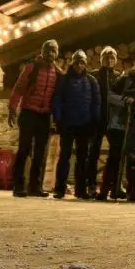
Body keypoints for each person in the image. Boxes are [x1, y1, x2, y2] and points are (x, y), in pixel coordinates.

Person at [96, 55, 135, 201]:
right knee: (115, 157)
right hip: (119, 123)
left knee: (133, 160)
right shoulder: (125, 79)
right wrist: (124, 101)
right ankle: (106, 189)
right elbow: (110, 96)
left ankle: (129, 190)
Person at [7, 38, 61, 198]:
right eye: (48, 49)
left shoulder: (56, 71)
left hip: (45, 115)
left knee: (40, 152)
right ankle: (18, 185)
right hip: (29, 113)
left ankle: (34, 186)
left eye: (54, 50)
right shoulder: (32, 68)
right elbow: (18, 88)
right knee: (24, 149)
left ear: (57, 53)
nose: (51, 53)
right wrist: (12, 108)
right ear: (42, 51)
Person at [52, 50, 101, 199]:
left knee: (82, 158)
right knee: (64, 156)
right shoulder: (64, 80)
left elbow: (96, 102)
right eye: (77, 62)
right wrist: (58, 119)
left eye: (82, 62)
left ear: (85, 64)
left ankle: (80, 190)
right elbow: (57, 99)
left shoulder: (91, 81)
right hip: (67, 123)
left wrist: (95, 120)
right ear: (73, 63)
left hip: (84, 124)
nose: (80, 65)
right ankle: (60, 188)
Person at [85, 47, 120, 199]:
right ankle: (91, 185)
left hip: (112, 121)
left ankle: (114, 185)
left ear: (116, 60)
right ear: (101, 59)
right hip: (96, 120)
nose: (109, 59)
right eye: (106, 56)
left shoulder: (119, 77)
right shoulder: (93, 75)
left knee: (116, 154)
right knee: (92, 154)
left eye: (112, 57)